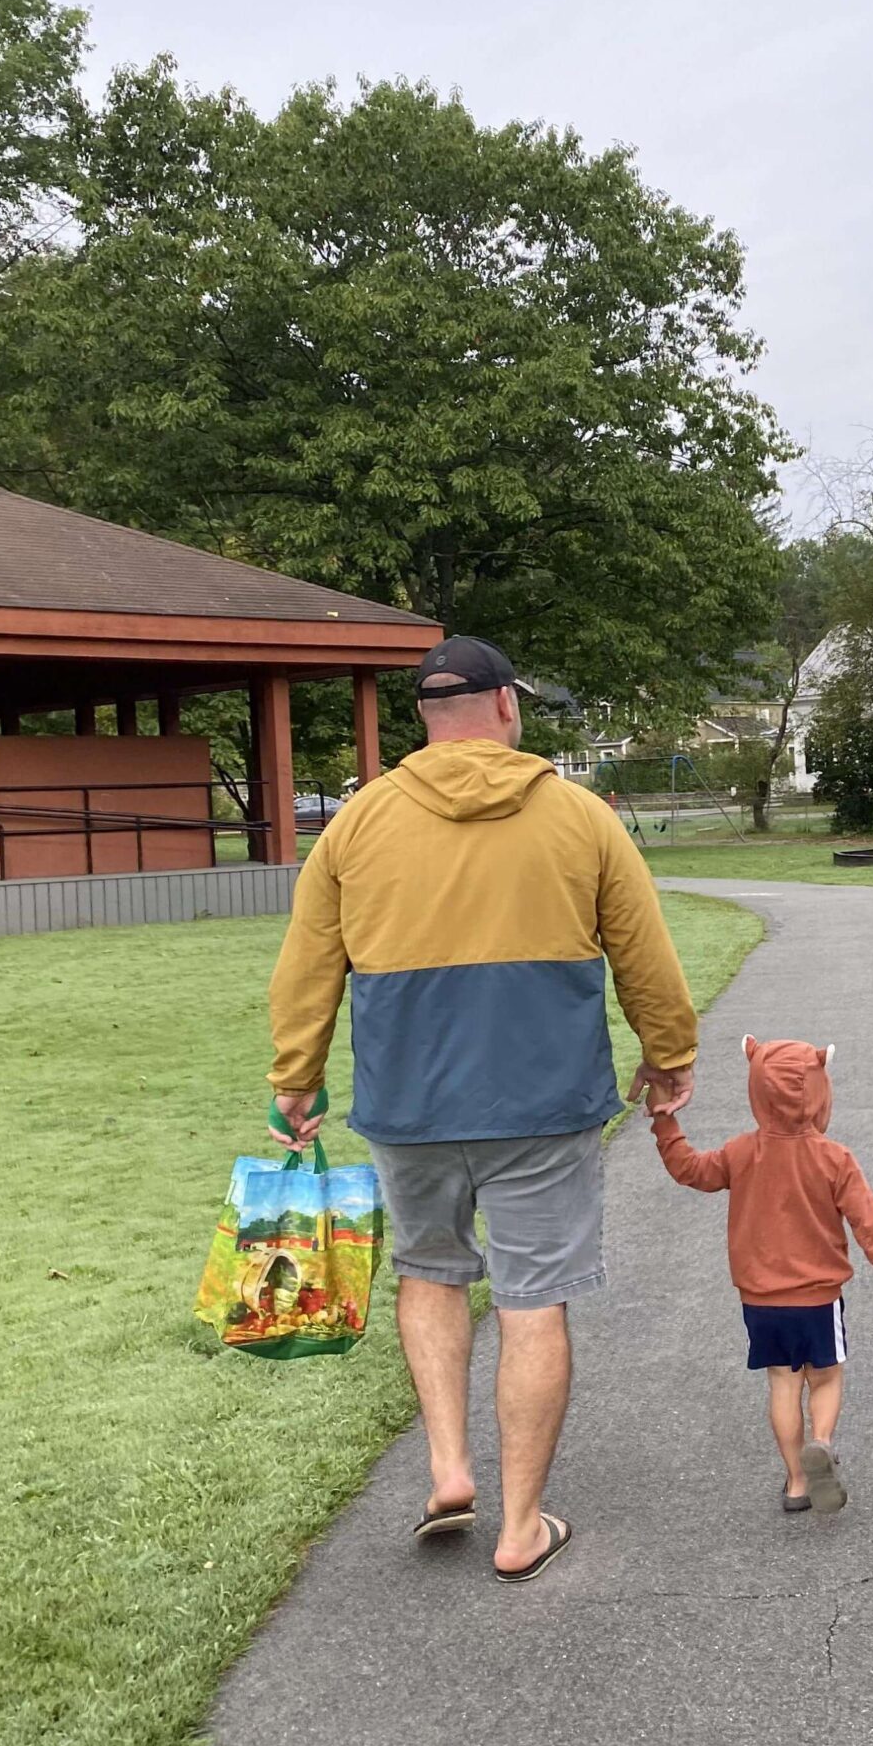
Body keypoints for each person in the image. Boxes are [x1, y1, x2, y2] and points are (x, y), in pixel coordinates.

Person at [267, 634, 700, 1585]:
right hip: (545, 1103)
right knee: (532, 1300)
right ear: (508, 705)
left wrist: (295, 1078)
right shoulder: (580, 817)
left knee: (429, 1274)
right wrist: (669, 1054)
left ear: (427, 716)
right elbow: (644, 951)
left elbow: (308, 963)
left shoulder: (356, 824)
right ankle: (520, 1527)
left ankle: (449, 1469)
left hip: (409, 1104)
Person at [652, 1036, 873, 1512]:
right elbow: (868, 1224)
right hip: (817, 1299)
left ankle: (797, 1482)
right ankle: (822, 1442)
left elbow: (689, 1169)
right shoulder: (834, 1158)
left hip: (761, 1302)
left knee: (783, 1382)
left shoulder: (740, 1152)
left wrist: (664, 1121)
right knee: (826, 1378)